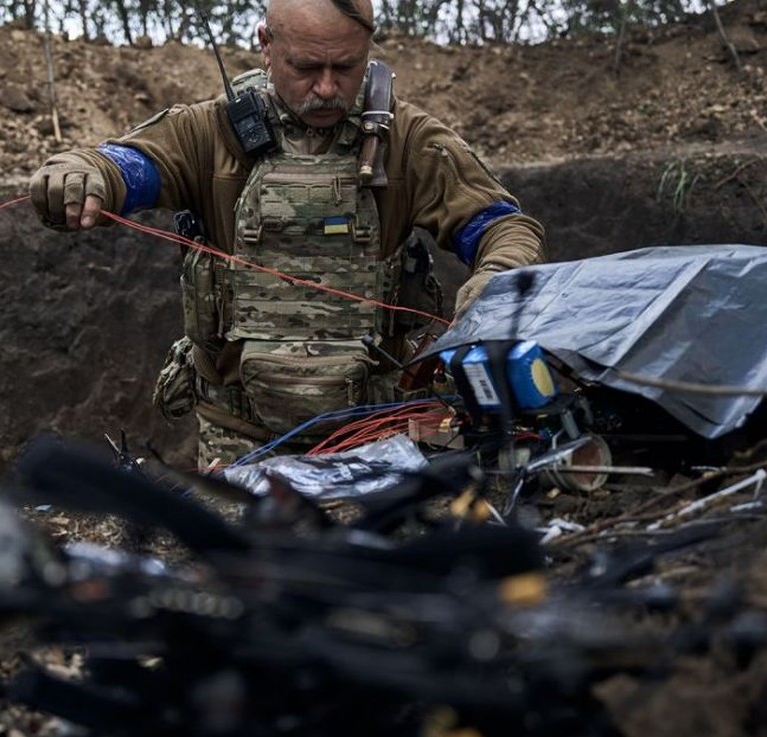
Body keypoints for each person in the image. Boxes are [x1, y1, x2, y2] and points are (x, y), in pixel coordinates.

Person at [30, 0, 547, 467]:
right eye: (306, 67)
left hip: (375, 435)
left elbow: (500, 225)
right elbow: (130, 165)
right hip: (238, 441)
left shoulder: (407, 139)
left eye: (345, 67)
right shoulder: (210, 133)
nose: (326, 87)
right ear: (266, 45)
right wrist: (82, 174)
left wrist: (498, 276)